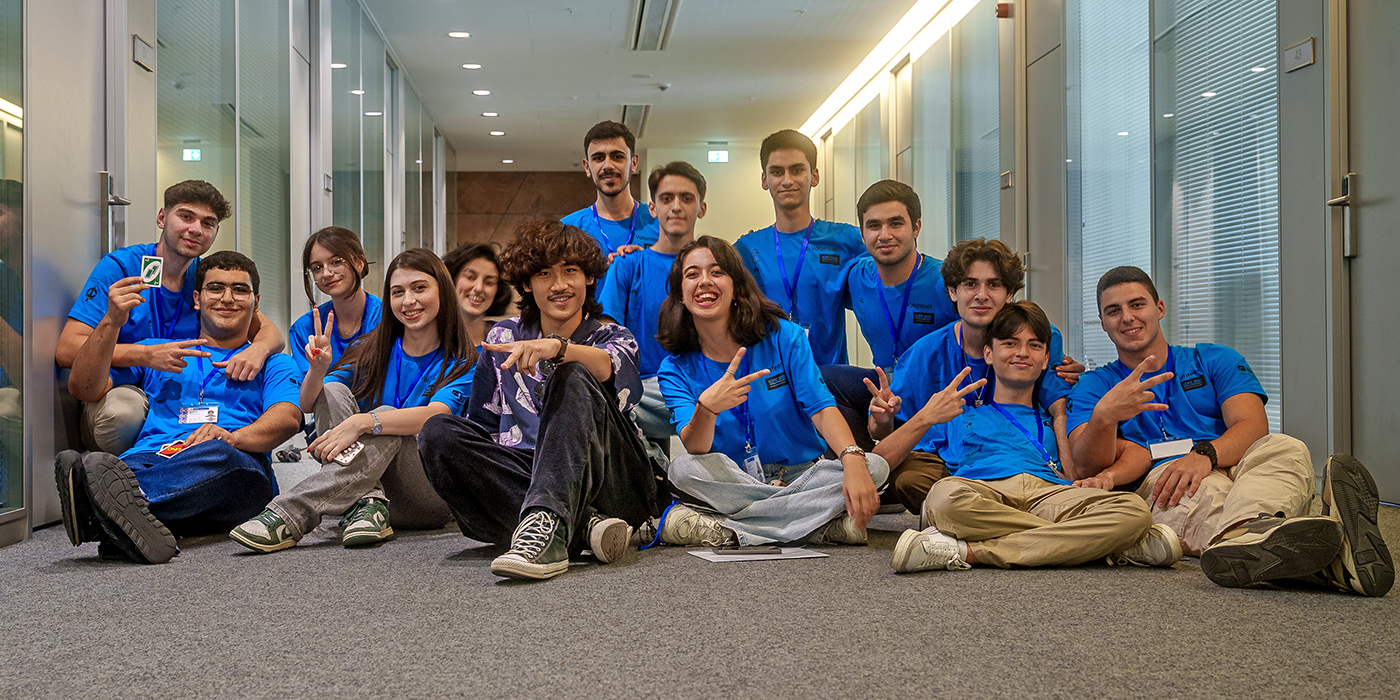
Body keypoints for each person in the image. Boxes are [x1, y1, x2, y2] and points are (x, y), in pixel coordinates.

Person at [1067, 266, 1393, 595]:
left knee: (1284, 447)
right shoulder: (1095, 386)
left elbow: (1252, 426)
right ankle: (1331, 556)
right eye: (1113, 311)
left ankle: (1258, 535)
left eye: (1137, 304)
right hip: (1163, 476)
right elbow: (1085, 467)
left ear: (1159, 308)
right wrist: (1104, 417)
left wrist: (1205, 454)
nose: (1127, 317)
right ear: (1102, 322)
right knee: (1207, 494)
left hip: (1230, 458)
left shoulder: (1214, 359)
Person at [418, 221, 659, 581]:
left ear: (589, 278)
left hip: (614, 478)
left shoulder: (611, 334)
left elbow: (612, 368)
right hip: (529, 474)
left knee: (573, 372)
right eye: (545, 274)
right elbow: (482, 433)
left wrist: (561, 349)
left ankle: (552, 525)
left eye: (571, 271)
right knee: (437, 433)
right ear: (527, 284)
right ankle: (583, 527)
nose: (559, 285)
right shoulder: (502, 337)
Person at [884, 301, 1180, 572]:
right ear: (988, 353)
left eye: (1034, 345)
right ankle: (1108, 545)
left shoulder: (1061, 417)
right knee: (941, 499)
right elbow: (883, 460)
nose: (1022, 353)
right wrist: (895, 419)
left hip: (1050, 492)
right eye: (1010, 343)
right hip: (983, 493)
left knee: (1133, 511)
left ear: (1045, 359)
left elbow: (1130, 449)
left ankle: (968, 551)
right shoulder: (957, 414)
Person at [56, 251, 301, 564]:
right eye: (216, 288)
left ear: (256, 301)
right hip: (153, 458)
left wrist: (232, 437)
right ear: (197, 299)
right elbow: (84, 388)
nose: (227, 298)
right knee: (119, 468)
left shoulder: (274, 362)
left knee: (227, 460)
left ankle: (102, 507)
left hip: (234, 464)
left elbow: (288, 418)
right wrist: (111, 321)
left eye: (240, 290)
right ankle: (124, 518)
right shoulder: (157, 352)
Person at [231, 249, 476, 552]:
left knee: (385, 418)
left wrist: (366, 421)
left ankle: (289, 513)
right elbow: (309, 403)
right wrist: (318, 369)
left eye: (420, 288)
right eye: (397, 292)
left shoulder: (462, 361)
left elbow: (434, 415)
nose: (408, 301)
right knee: (331, 390)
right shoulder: (373, 347)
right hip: (366, 484)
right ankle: (368, 502)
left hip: (426, 495)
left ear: (443, 292)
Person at [654, 236, 889, 547]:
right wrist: (707, 409)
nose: (704, 282)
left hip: (800, 475)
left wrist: (853, 459)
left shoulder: (784, 336)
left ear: (736, 286)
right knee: (682, 469)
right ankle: (815, 527)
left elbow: (820, 407)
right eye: (692, 274)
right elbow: (695, 446)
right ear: (681, 295)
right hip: (734, 479)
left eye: (717, 272)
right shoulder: (674, 369)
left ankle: (733, 528)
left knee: (875, 467)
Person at [56, 180, 285, 454]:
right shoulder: (122, 267)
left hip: (175, 392)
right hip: (120, 386)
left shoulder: (205, 279)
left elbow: (269, 333)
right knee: (123, 414)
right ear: (163, 217)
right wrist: (144, 355)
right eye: (186, 217)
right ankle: (118, 478)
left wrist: (258, 350)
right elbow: (67, 350)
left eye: (208, 223)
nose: (196, 229)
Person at [873, 238, 1082, 514]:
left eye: (993, 285)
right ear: (952, 291)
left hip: (1014, 455)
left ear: (1009, 294)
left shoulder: (1042, 337)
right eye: (970, 284)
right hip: (943, 459)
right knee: (912, 481)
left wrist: (1077, 379)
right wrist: (882, 420)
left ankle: (976, 518)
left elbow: (1058, 401)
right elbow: (885, 436)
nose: (981, 295)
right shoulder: (924, 354)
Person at [822, 180, 958, 450]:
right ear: (861, 234)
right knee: (822, 381)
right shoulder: (857, 276)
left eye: (896, 223)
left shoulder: (945, 281)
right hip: (886, 386)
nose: (884, 235)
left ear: (916, 227)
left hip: (935, 393)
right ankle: (865, 464)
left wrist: (1056, 362)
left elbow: (1001, 323)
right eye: (874, 226)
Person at [599, 161, 707, 452]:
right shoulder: (627, 265)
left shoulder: (713, 270)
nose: (676, 207)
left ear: (702, 208)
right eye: (666, 198)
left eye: (687, 198)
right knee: (600, 400)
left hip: (702, 391)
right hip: (643, 394)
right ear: (652, 208)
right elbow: (606, 334)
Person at [734, 129, 865, 366]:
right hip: (770, 382)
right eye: (776, 172)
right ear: (764, 180)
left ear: (814, 176)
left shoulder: (847, 240)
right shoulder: (745, 249)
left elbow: (886, 288)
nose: (787, 181)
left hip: (830, 379)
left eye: (797, 170)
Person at [287, 226, 383, 375]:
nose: (326, 273)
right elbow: (307, 394)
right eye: (317, 268)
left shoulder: (386, 319)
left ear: (359, 263)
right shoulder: (304, 329)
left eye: (336, 262)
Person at [559, 120, 659, 258]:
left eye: (617, 157)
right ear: (587, 167)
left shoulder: (659, 224)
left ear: (633, 163)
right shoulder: (568, 228)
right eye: (598, 158)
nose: (608, 166)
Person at [441, 241, 512, 345]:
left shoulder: (508, 338)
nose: (478, 288)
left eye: (489, 283)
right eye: (470, 277)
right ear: (452, 279)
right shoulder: (432, 341)